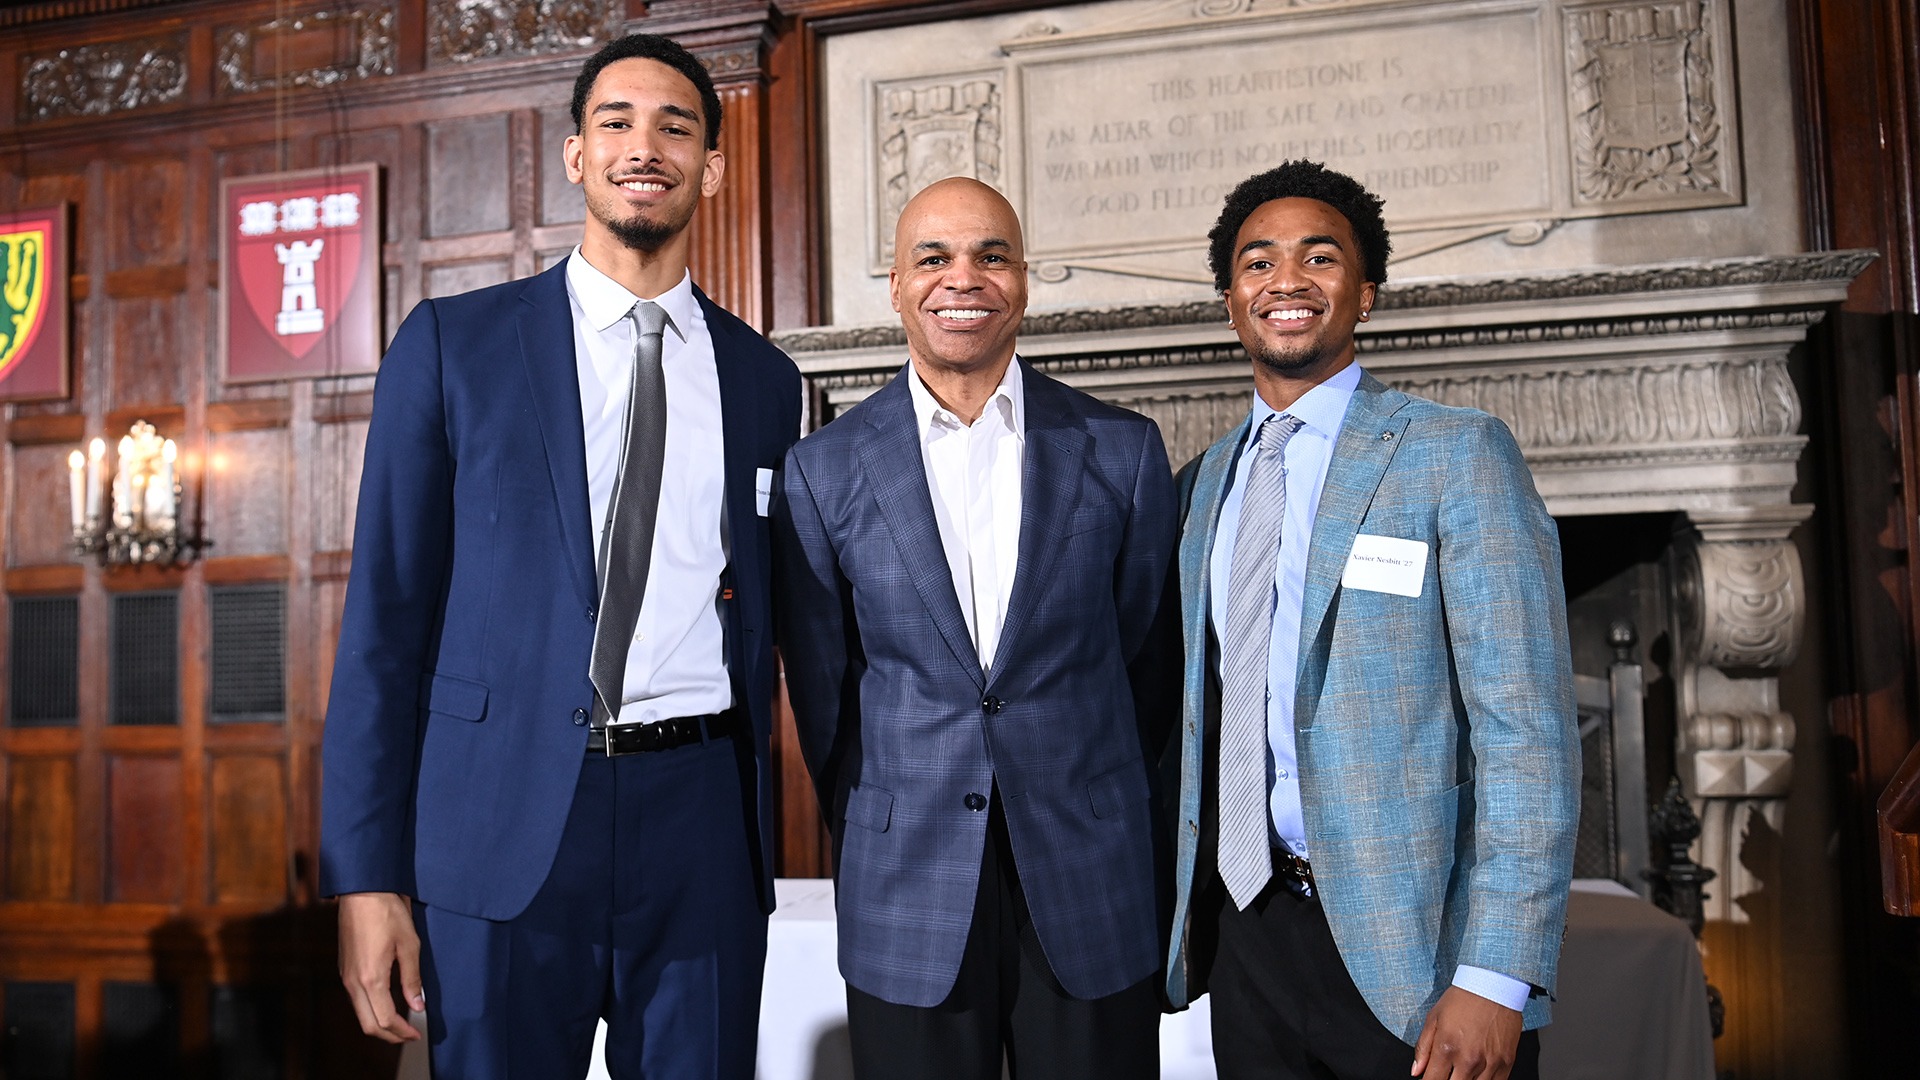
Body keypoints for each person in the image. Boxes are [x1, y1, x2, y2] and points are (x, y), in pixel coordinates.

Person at [319, 33, 799, 1079]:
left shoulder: (765, 380)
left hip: (701, 823)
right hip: (497, 819)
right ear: (577, 155)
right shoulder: (452, 344)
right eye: (616, 122)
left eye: (676, 127)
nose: (645, 146)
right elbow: (383, 625)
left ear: (711, 166)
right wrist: (366, 878)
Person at [1163, 160, 1579, 1080]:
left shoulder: (1455, 455)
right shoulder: (1200, 487)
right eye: (1258, 262)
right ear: (1231, 302)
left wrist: (1496, 975)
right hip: (1249, 938)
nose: (1287, 280)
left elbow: (1528, 735)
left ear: (1365, 293)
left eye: (1320, 258)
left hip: (1422, 955)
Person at [773, 177, 1177, 1080]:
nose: (964, 278)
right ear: (897, 285)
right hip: (906, 879)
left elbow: (1148, 666)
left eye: (992, 256)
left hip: (1089, 872)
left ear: (1024, 280)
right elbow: (824, 694)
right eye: (935, 257)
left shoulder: (1122, 449)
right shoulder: (821, 470)